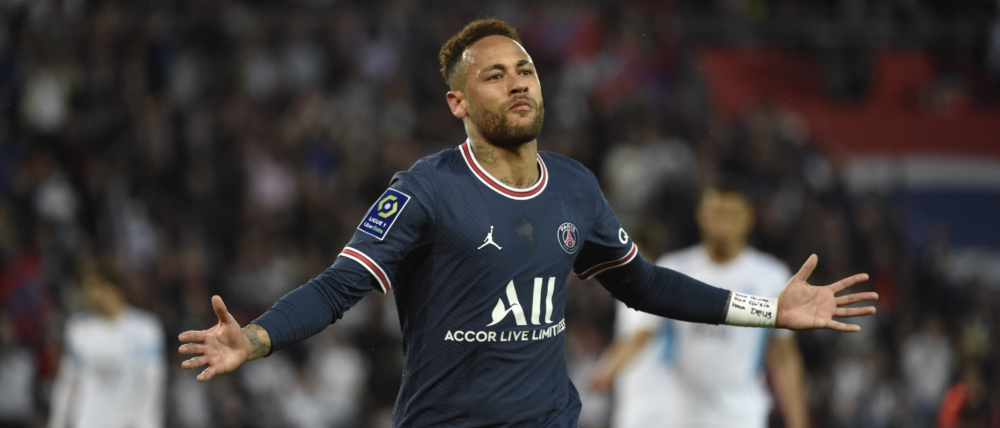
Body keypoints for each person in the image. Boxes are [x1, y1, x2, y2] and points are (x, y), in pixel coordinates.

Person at [178, 18, 878, 428]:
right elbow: (338, 288)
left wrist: (770, 311)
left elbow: (645, 285)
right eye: (494, 75)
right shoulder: (425, 190)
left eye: (526, 69)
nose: (517, 81)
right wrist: (258, 338)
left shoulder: (575, 186)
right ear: (457, 102)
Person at [590, 178, 809, 428]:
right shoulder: (673, 268)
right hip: (681, 414)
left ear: (749, 218)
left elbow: (784, 357)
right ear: (700, 215)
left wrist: (797, 421)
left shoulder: (771, 276)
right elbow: (642, 331)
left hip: (742, 416)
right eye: (715, 212)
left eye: (731, 213)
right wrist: (609, 368)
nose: (722, 221)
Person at [48, 265, 166, 428]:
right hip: (89, 423)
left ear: (111, 288)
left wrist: (145, 422)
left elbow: (153, 382)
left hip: (129, 424)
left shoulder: (146, 329)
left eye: (92, 287)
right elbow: (66, 381)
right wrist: (56, 423)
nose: (87, 294)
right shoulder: (79, 329)